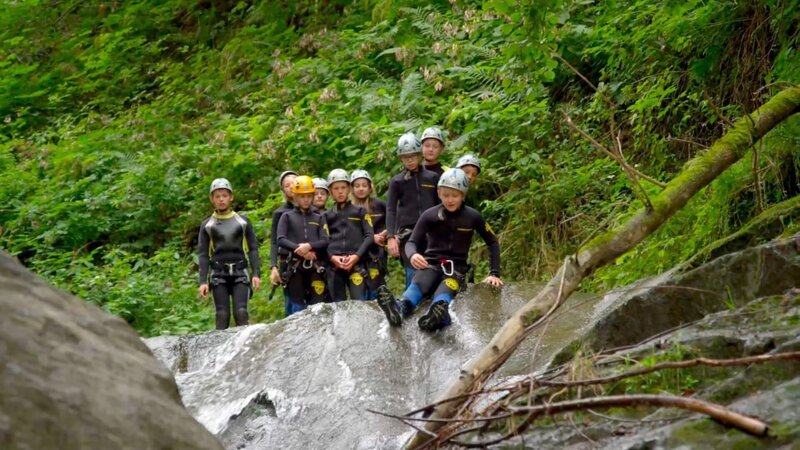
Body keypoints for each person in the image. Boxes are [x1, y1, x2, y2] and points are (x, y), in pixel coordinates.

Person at [377, 168, 503, 332]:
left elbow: (492, 241)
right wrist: (413, 254)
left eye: (455, 196)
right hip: (431, 264)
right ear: (439, 193)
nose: (450, 200)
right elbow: (411, 242)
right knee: (419, 284)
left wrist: (494, 273)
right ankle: (400, 308)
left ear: (463, 195)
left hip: (455, 269)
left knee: (446, 288)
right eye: (445, 195)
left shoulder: (473, 217)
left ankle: (438, 314)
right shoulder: (429, 215)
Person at [198, 178, 262, 330]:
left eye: (224, 196)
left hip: (240, 272)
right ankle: (220, 345)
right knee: (222, 315)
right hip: (218, 274)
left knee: (241, 313)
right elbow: (203, 254)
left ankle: (245, 344)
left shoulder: (243, 222)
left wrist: (256, 274)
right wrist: (203, 281)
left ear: (231, 197)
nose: (221, 199)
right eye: (217, 196)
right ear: (212, 199)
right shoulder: (207, 225)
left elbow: (253, 248)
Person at [386, 132, 440, 287]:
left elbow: (440, 206)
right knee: (412, 275)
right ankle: (410, 300)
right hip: (408, 235)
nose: (409, 160)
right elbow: (391, 209)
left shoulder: (432, 177)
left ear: (419, 155)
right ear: (401, 159)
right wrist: (390, 237)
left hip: (432, 232)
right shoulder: (397, 181)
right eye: (405, 157)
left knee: (433, 272)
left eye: (413, 156)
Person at [277, 176, 330, 314]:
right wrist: (299, 249)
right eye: (302, 196)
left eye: (308, 196)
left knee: (318, 307)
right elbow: (281, 239)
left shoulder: (319, 217)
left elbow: (325, 240)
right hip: (295, 267)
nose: (306, 200)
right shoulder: (287, 216)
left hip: (315, 266)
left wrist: (309, 246)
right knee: (297, 308)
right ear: (295, 196)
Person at [325, 168, 374, 301]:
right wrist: (332, 257)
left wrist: (357, 256)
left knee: (359, 303)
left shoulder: (360, 212)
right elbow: (322, 241)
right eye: (336, 188)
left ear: (349, 189)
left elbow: (369, 236)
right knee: (338, 306)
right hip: (334, 267)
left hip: (356, 265)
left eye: (343, 187)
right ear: (330, 191)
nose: (340, 191)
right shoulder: (326, 216)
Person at [350, 169, 388, 300]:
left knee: (376, 292)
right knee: (359, 295)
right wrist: (371, 238)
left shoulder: (380, 205)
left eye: (364, 185)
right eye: (357, 186)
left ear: (370, 187)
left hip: (377, 254)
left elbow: (393, 221)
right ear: (352, 189)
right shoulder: (348, 209)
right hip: (356, 255)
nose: (361, 189)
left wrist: (386, 233)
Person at [269, 170, 297, 316]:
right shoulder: (280, 213)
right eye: (287, 185)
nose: (291, 187)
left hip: (310, 262)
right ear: (283, 190)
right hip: (287, 262)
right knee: (291, 303)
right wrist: (273, 266)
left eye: (294, 183)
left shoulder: (312, 210)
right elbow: (274, 241)